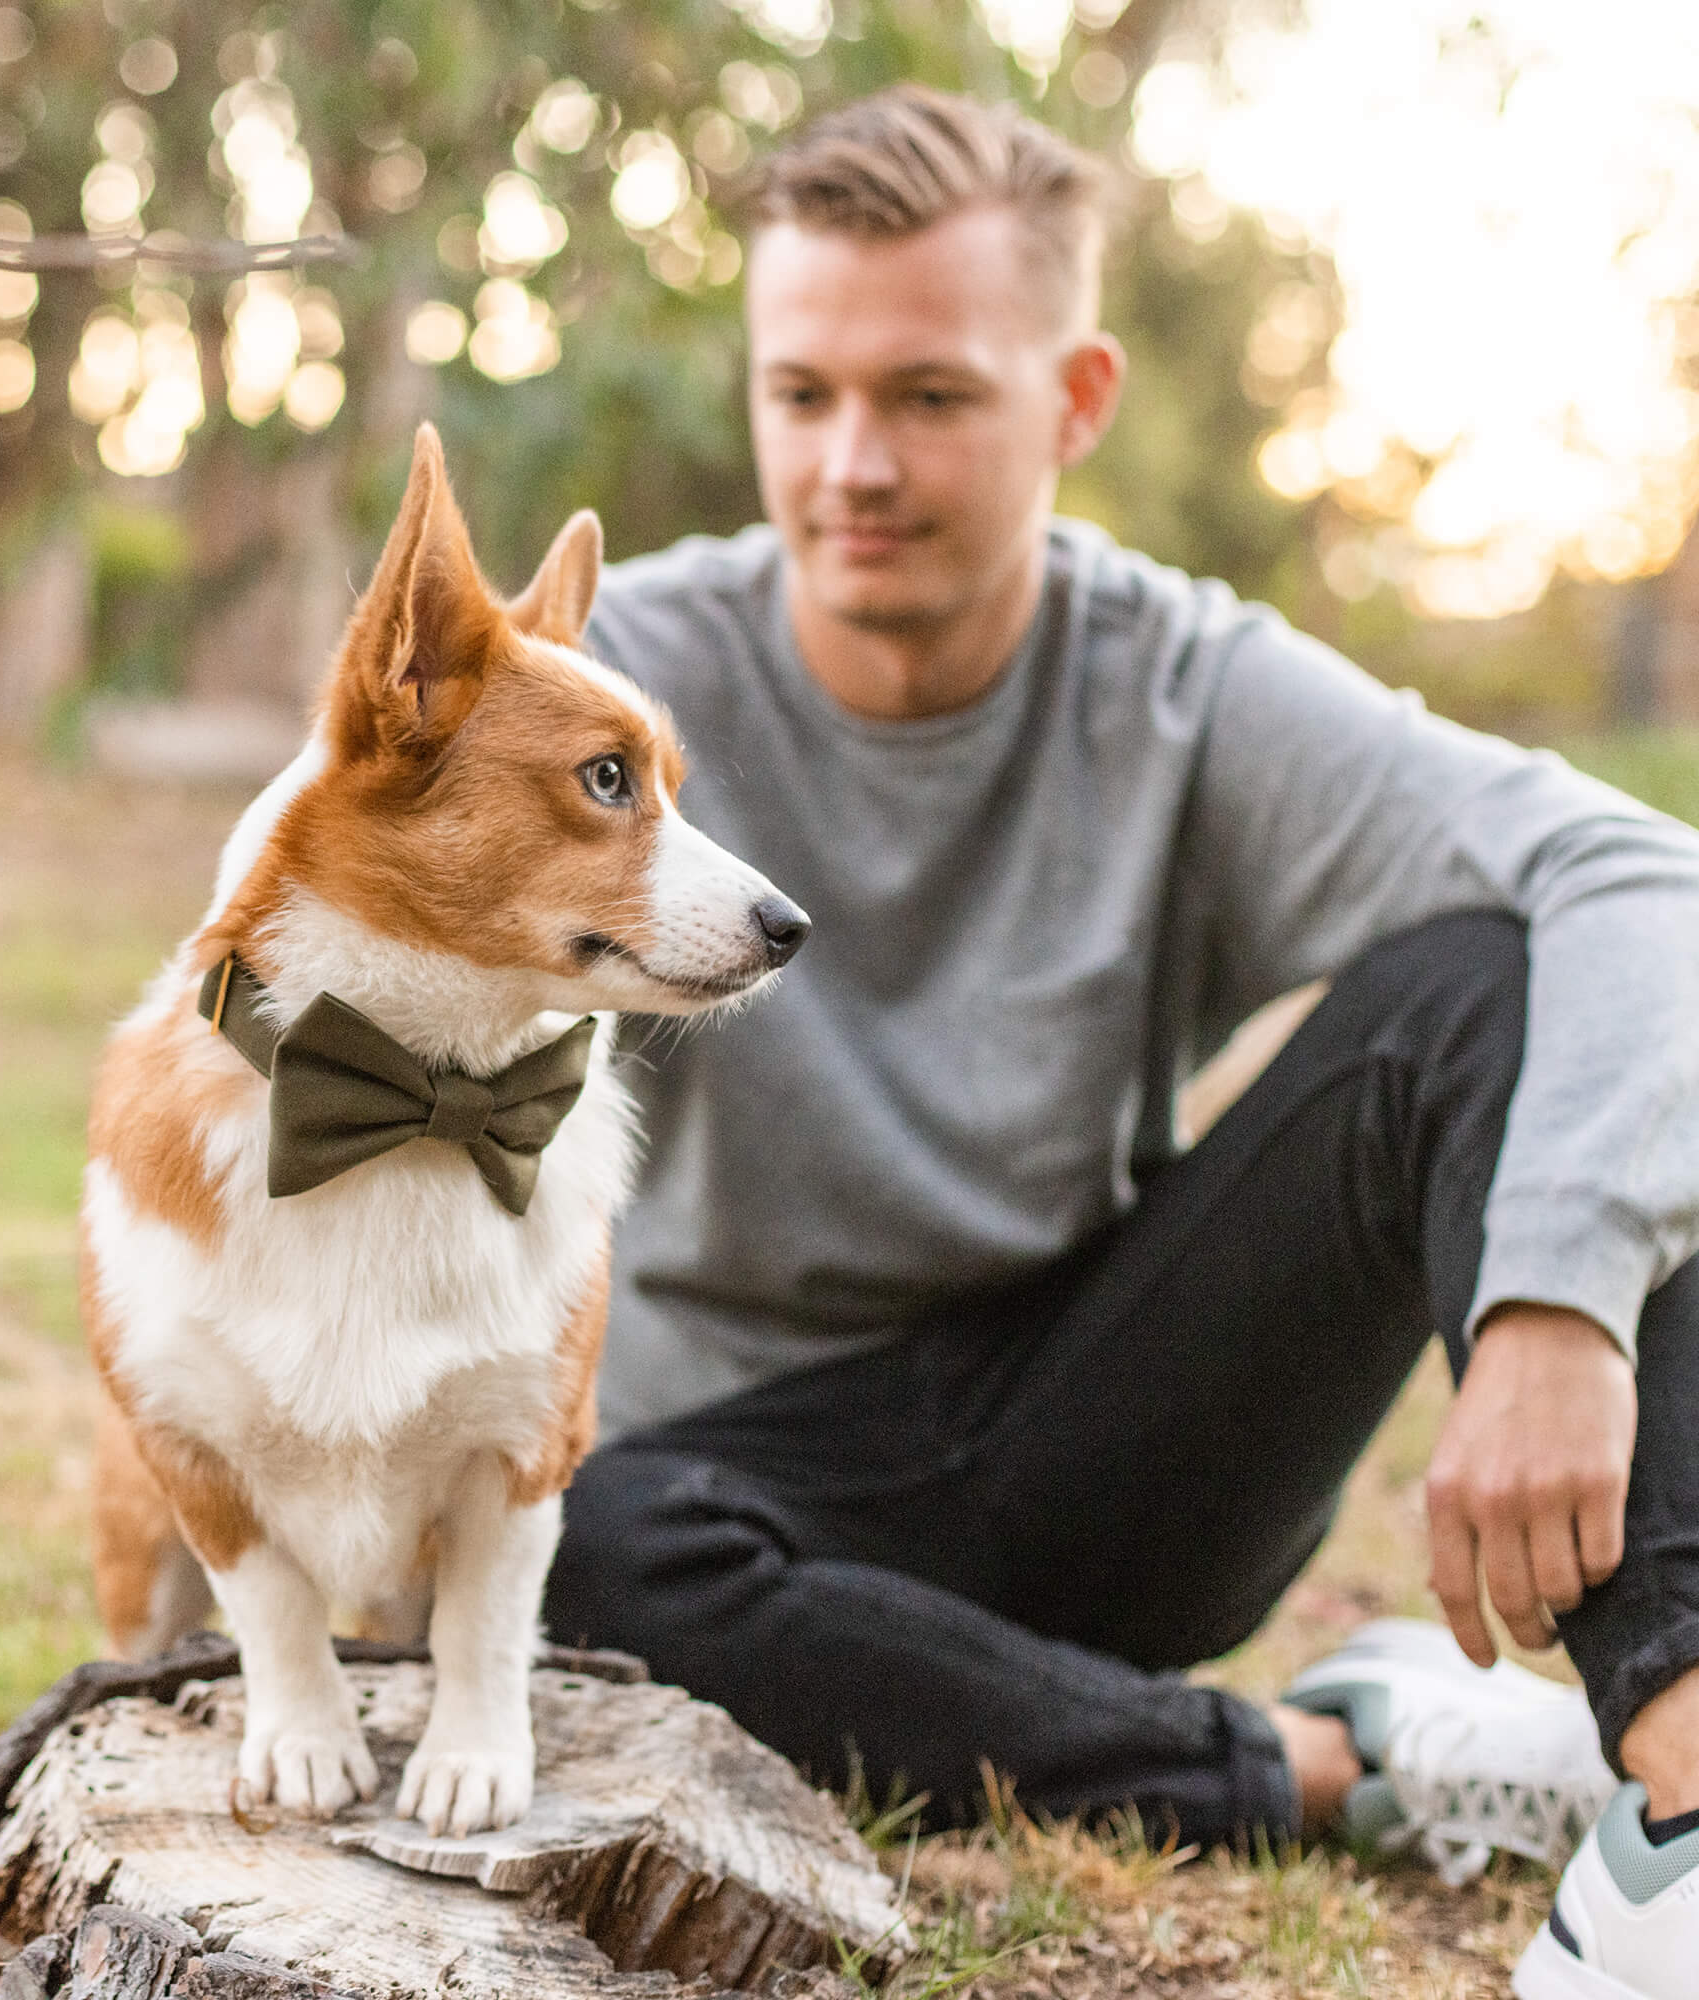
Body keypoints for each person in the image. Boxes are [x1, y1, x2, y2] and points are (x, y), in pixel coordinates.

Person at [536, 86, 1699, 1998]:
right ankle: (1337, 1769)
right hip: (733, 1504)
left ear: (1075, 401)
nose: (852, 463)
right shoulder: (618, 684)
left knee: (1487, 984)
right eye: (802, 393)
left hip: (1103, 1438)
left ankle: (1676, 1795)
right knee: (567, 1551)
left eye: (930, 396)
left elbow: (1635, 877)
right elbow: (309, 958)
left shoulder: (1185, 685)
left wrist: (1558, 1305)